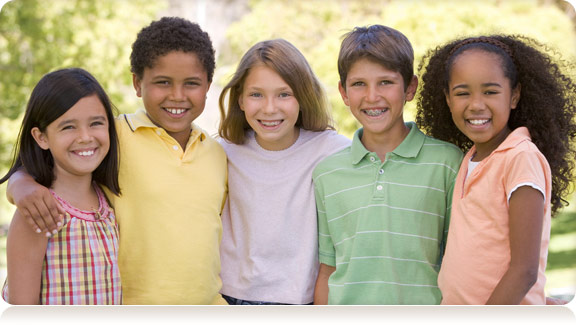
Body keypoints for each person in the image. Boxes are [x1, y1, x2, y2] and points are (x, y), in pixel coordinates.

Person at [5, 17, 228, 305]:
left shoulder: (218, 153)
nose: (177, 95)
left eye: (192, 84)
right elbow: (54, 157)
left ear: (208, 85)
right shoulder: (114, 136)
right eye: (163, 82)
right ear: (137, 83)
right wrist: (20, 185)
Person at [416, 35, 576, 305]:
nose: (476, 104)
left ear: (514, 95)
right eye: (462, 92)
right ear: (447, 99)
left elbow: (524, 270)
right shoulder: (470, 158)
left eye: (490, 92)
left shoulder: (520, 158)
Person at [312, 25, 463, 305]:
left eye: (386, 82)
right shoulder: (327, 174)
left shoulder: (448, 163)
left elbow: (463, 259)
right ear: (344, 93)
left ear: (410, 88)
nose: (372, 97)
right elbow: (328, 268)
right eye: (359, 84)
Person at [217, 39, 351, 305]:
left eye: (284, 94)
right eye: (256, 94)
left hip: (299, 299)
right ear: (240, 99)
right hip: (230, 296)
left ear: (303, 95)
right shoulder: (224, 152)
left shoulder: (332, 150)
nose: (269, 108)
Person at [0, 68, 121, 304]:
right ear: (41, 138)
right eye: (68, 127)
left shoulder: (108, 201)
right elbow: (22, 312)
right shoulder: (38, 212)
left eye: (96, 123)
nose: (85, 137)